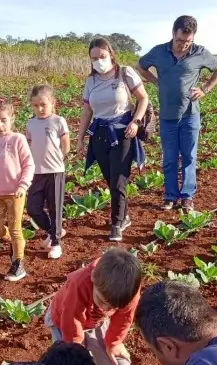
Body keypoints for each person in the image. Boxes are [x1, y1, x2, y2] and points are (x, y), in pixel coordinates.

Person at [136, 15, 217, 211]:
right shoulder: (159, 52)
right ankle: (170, 196)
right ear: (173, 34)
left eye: (188, 42)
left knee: (189, 157)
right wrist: (155, 81)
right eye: (180, 41)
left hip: (190, 115)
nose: (183, 45)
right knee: (169, 157)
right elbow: (140, 66)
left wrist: (205, 88)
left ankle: (187, 196)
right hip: (168, 115)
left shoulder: (200, 52)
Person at [77, 38, 149, 242]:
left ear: (111, 55)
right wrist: (80, 138)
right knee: (110, 179)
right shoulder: (90, 81)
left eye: (102, 56)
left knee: (119, 180)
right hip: (100, 134)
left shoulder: (124, 73)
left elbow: (143, 98)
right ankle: (124, 215)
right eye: (94, 58)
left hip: (123, 133)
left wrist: (135, 122)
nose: (99, 61)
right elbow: (87, 112)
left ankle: (116, 223)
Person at [0, 97, 34, 281]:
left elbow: (29, 164)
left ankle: (18, 263)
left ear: (12, 118)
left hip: (15, 193)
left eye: (4, 120)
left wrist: (23, 184)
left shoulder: (17, 139)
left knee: (15, 227)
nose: (0, 125)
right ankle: (17, 242)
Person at [26, 84, 70, 260]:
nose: (40, 109)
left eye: (43, 104)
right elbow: (29, 145)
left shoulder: (58, 121)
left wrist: (61, 156)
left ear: (53, 103)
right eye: (36, 105)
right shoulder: (30, 123)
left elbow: (65, 144)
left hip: (55, 171)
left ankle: (56, 243)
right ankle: (54, 232)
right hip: (37, 172)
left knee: (55, 208)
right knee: (33, 208)